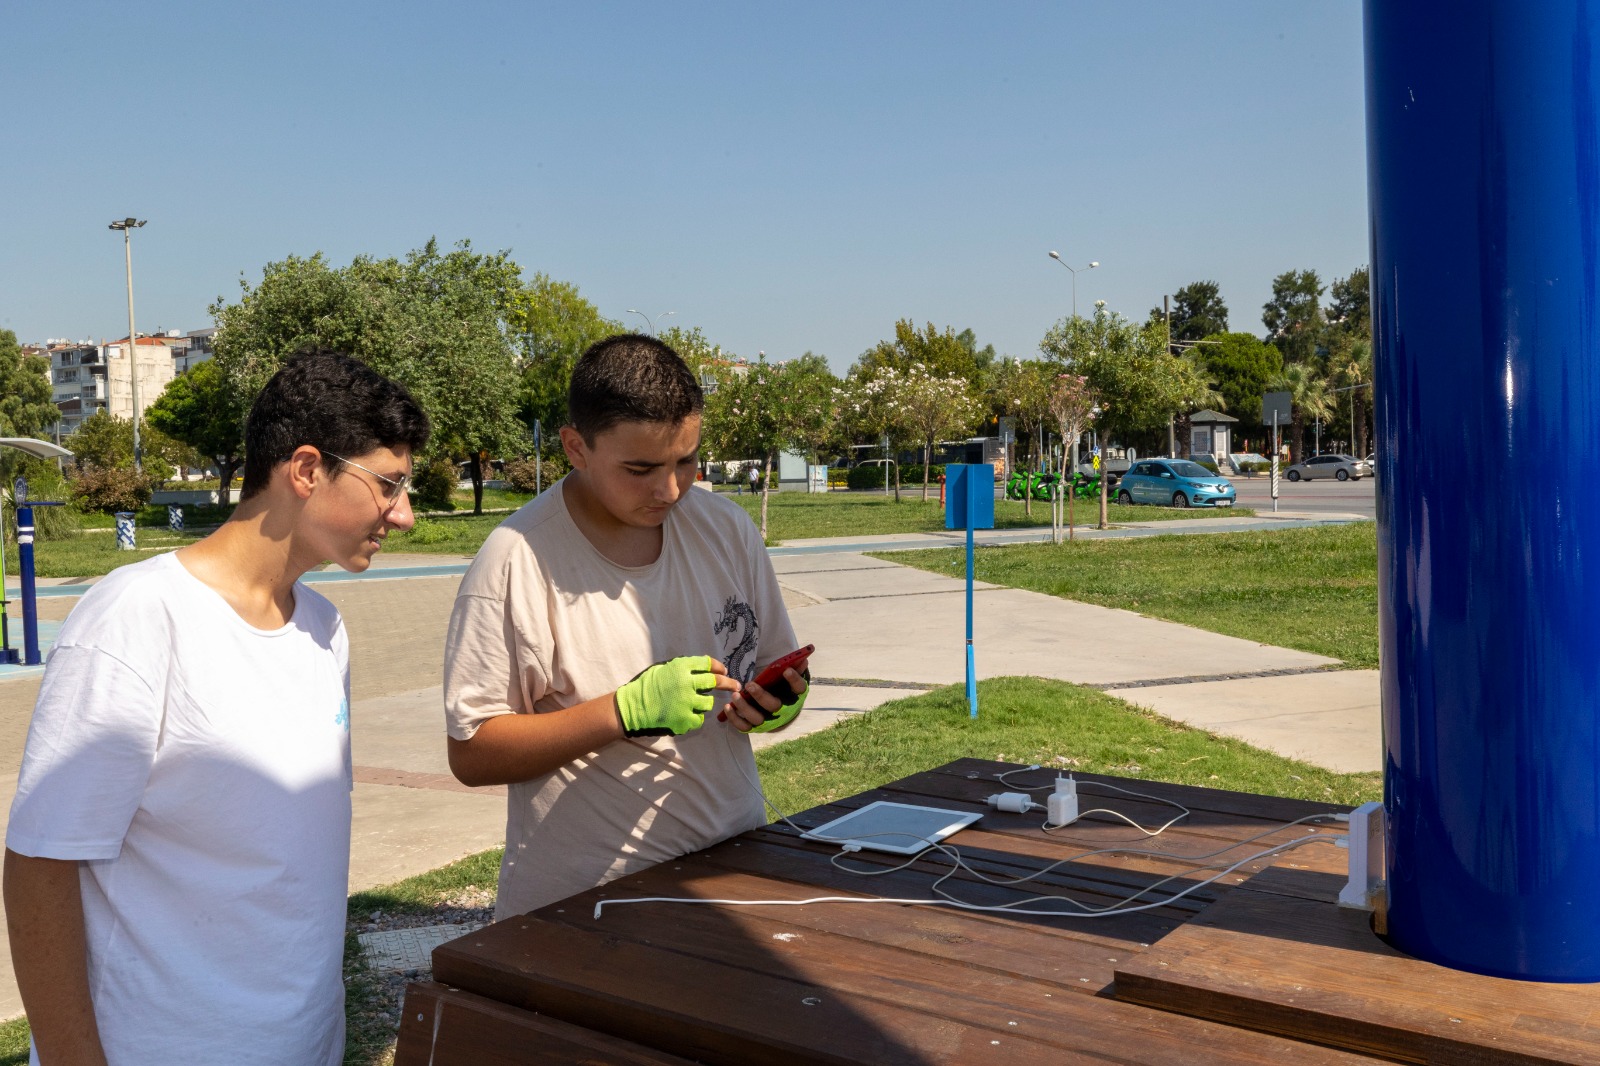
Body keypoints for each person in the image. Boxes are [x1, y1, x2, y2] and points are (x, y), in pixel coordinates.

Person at [4, 349, 429, 1066]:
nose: (406, 515)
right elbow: (39, 867)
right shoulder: (138, 618)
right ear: (304, 470)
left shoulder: (325, 629)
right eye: (388, 486)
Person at [444, 333, 809, 919]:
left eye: (687, 460)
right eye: (640, 468)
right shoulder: (516, 559)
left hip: (733, 872)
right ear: (575, 448)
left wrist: (777, 701)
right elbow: (472, 753)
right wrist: (620, 713)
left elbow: (775, 664)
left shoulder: (728, 529)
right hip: (581, 906)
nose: (669, 489)